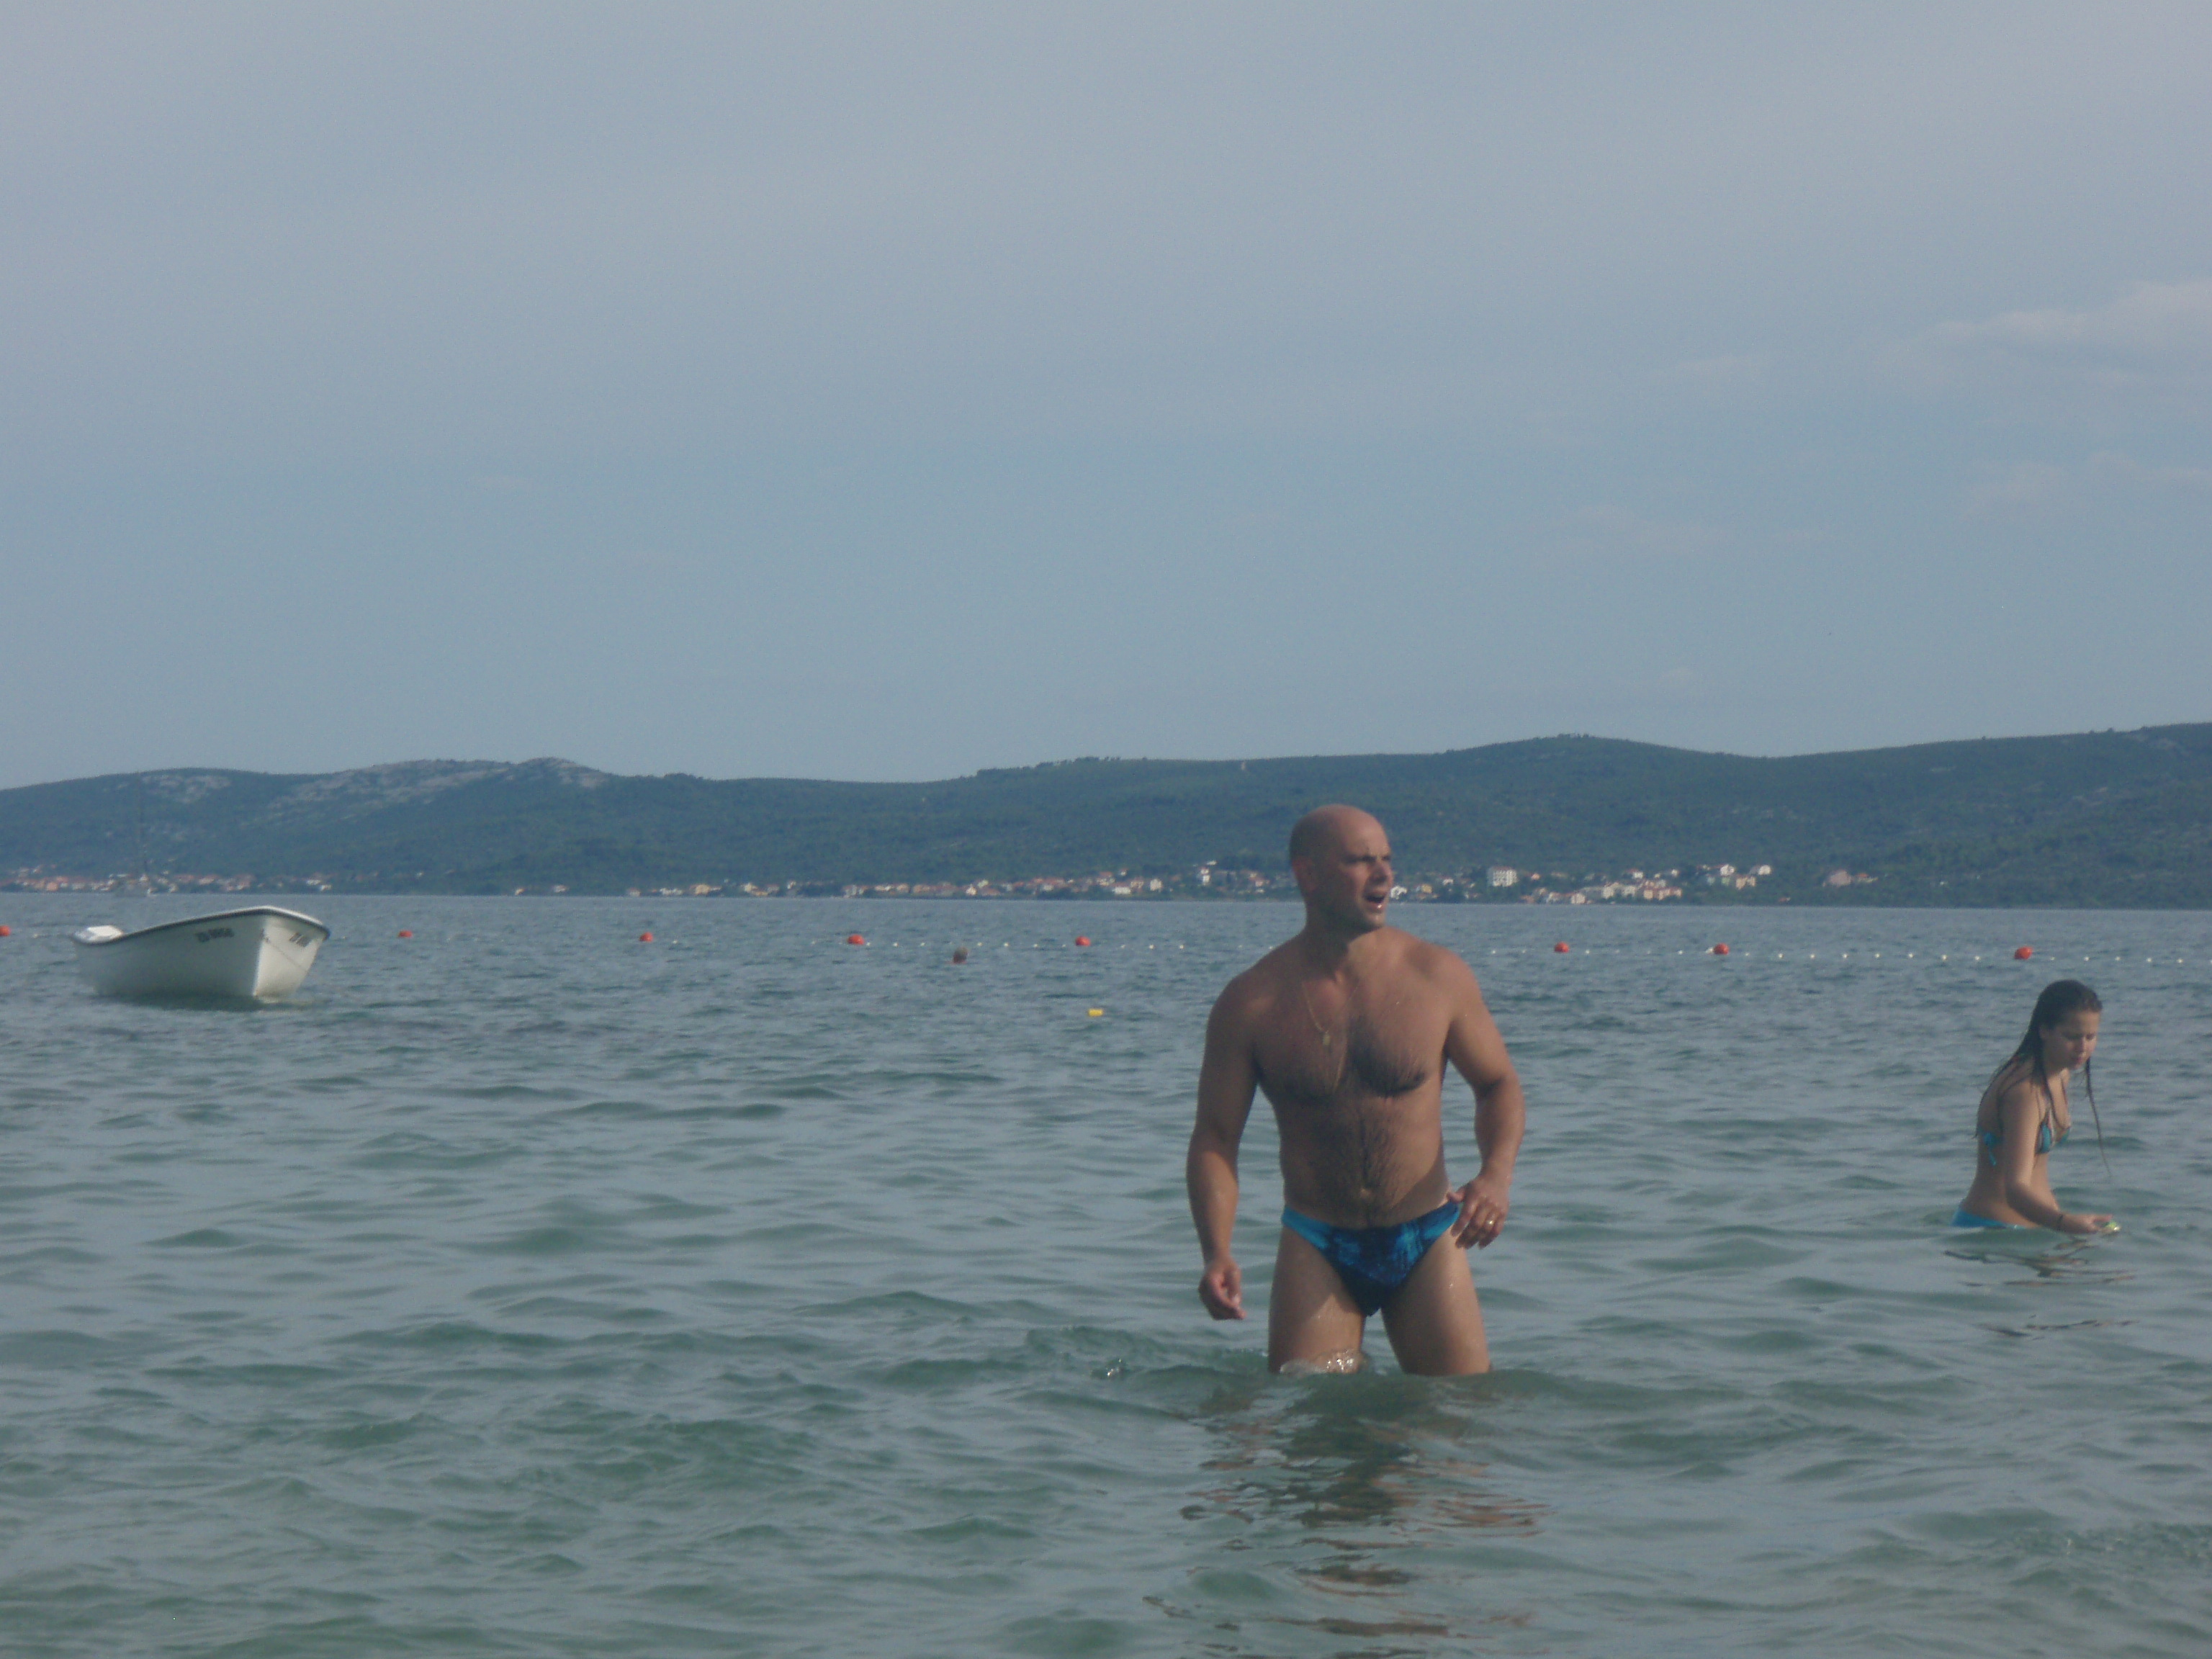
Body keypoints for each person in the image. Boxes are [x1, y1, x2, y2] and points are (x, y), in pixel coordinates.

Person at [1186, 805, 1525, 1375]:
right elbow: (1215, 1138)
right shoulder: (1251, 1003)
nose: (1384, 874)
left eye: (1387, 859)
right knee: (1307, 1413)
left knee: (1459, 1417)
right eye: (1361, 861)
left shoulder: (1436, 977)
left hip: (1425, 1236)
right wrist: (1216, 1251)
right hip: (1318, 1243)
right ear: (1308, 874)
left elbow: (1498, 1084)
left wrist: (1496, 1175)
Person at [1954, 979, 2116, 1233]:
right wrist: (2066, 1223)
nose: (2083, 1048)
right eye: (2072, 1037)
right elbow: (2015, 1189)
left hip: (2032, 1228)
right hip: (1995, 1230)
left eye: (2090, 1036)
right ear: (2044, 1031)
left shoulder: (2059, 1074)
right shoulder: (2026, 1092)